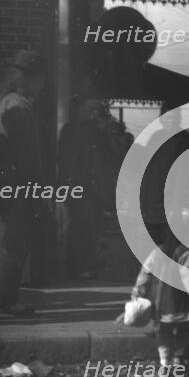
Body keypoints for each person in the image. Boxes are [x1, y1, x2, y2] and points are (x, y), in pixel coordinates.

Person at [0, 50, 47, 316]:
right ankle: (5, 302)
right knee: (15, 242)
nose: (42, 85)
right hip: (17, 184)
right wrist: (37, 191)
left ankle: (0, 298)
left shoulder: (2, 101)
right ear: (26, 79)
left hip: (1, 182)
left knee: (3, 240)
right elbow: (28, 158)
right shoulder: (20, 107)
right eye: (39, 79)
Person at [130, 227, 189, 369]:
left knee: (164, 332)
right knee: (183, 329)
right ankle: (178, 357)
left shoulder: (158, 250)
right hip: (179, 301)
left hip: (159, 302)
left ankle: (164, 363)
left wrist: (138, 292)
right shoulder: (184, 253)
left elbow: (145, 273)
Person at [58, 98, 115, 279]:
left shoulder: (95, 130)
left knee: (91, 226)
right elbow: (65, 159)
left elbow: (109, 153)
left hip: (93, 186)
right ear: (79, 108)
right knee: (81, 225)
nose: (92, 112)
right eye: (88, 108)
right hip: (78, 184)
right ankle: (76, 266)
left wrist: (104, 128)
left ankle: (85, 263)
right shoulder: (70, 129)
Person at [140, 102, 189, 246]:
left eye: (175, 118)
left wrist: (178, 208)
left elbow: (185, 180)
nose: (172, 121)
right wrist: (142, 203)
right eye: (168, 117)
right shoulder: (154, 138)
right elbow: (146, 173)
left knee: (171, 250)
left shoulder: (187, 142)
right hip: (152, 206)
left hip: (173, 209)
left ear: (180, 119)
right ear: (161, 119)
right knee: (151, 250)